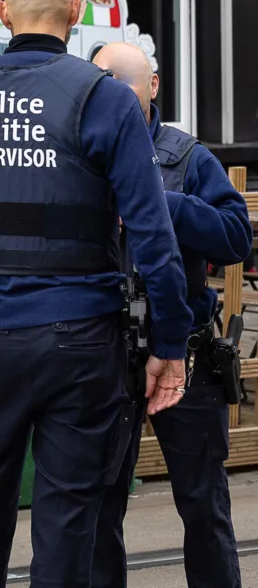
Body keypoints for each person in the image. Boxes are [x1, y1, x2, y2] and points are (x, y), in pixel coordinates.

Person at [0, 0, 193, 588]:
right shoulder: (107, 99)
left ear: (3, 15)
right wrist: (169, 344)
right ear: (72, 14)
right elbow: (152, 235)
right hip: (78, 346)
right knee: (68, 527)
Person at [91, 42, 251, 588]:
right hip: (105, 353)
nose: (112, 95)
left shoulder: (187, 157)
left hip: (185, 356)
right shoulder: (81, 157)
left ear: (153, 86)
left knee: (203, 505)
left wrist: (163, 205)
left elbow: (237, 239)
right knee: (98, 510)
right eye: (100, 83)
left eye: (123, 83)